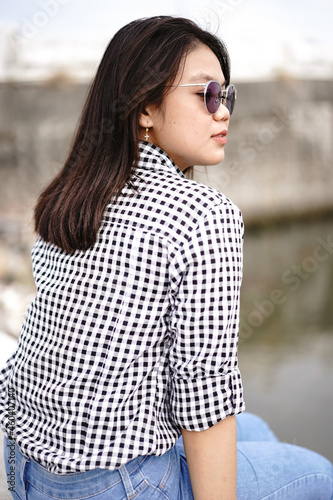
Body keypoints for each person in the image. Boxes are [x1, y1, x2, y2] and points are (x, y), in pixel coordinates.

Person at [1, 15, 332, 500]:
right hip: (115, 483)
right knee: (318, 474)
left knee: (255, 426)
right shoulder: (203, 214)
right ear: (145, 108)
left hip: (25, 465)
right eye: (206, 94)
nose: (223, 112)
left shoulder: (72, 196)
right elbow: (205, 393)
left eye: (227, 96)